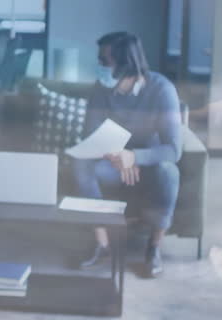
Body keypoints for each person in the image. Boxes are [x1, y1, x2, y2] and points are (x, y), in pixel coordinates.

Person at [72, 32, 182, 278]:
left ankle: (154, 248)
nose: (99, 66)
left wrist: (134, 157)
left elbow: (174, 150)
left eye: (104, 60)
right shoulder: (100, 90)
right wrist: (118, 157)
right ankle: (103, 246)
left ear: (126, 64)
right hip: (112, 163)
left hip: (149, 165)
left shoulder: (162, 89)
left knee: (169, 171)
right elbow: (90, 137)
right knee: (81, 164)